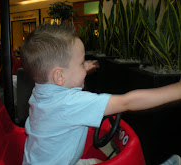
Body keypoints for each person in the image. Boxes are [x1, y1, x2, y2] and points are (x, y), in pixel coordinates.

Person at [20, 23, 181, 165]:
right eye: (81, 63)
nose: (84, 66)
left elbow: (63, 88)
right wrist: (175, 90)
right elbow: (127, 102)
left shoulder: (41, 91)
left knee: (97, 161)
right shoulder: (70, 103)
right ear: (60, 76)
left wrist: (80, 70)